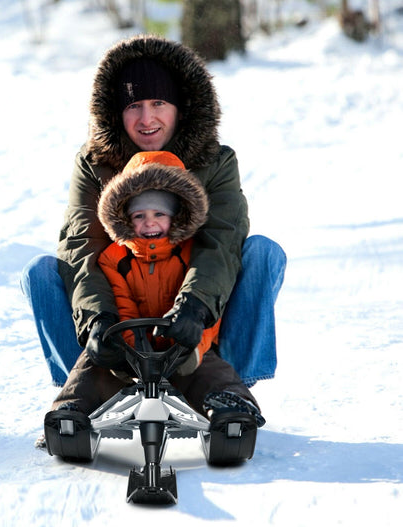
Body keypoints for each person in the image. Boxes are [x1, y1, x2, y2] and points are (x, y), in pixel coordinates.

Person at [21, 34, 286, 392]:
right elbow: (82, 246)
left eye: (159, 102)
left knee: (263, 253)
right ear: (117, 112)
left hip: (193, 323)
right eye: (134, 106)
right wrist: (99, 318)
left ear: (181, 107)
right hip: (122, 314)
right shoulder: (94, 164)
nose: (146, 118)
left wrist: (195, 305)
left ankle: (229, 388)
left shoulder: (216, 162)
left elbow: (221, 242)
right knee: (41, 273)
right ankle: (85, 391)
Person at [43, 151, 265, 462]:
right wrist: (122, 345)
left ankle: (230, 410)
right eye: (139, 216)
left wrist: (192, 340)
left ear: (176, 216)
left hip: (183, 345)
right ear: (124, 218)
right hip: (130, 347)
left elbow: (208, 302)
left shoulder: (189, 254)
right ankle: (72, 413)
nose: (149, 223)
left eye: (159, 214)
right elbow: (122, 305)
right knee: (92, 366)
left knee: (210, 370)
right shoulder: (114, 258)